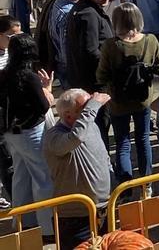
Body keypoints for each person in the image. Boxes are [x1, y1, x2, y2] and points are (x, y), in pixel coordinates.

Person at [97, 3, 159, 183]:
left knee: (123, 143)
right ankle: (146, 182)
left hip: (118, 101)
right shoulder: (150, 40)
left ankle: (125, 185)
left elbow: (101, 75)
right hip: (143, 99)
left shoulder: (110, 45)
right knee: (143, 140)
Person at [43, 88, 112, 247]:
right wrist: (93, 106)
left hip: (103, 212)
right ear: (68, 115)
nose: (91, 112)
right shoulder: (53, 137)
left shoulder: (90, 126)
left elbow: (104, 156)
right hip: (75, 220)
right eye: (85, 108)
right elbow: (75, 138)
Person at [1, 34, 55, 240]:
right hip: (32, 132)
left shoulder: (4, 75)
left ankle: (23, 222)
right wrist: (47, 89)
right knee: (43, 178)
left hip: (10, 134)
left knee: (20, 177)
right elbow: (43, 106)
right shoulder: (29, 77)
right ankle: (47, 227)